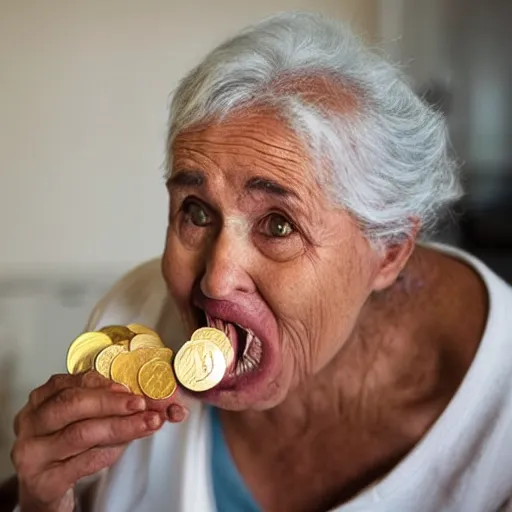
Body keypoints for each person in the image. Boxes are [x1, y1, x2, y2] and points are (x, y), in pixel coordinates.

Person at [7, 11, 512, 512]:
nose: (217, 279)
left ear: (391, 249)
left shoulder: (498, 419)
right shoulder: (130, 320)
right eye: (197, 211)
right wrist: (41, 503)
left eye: (277, 225)